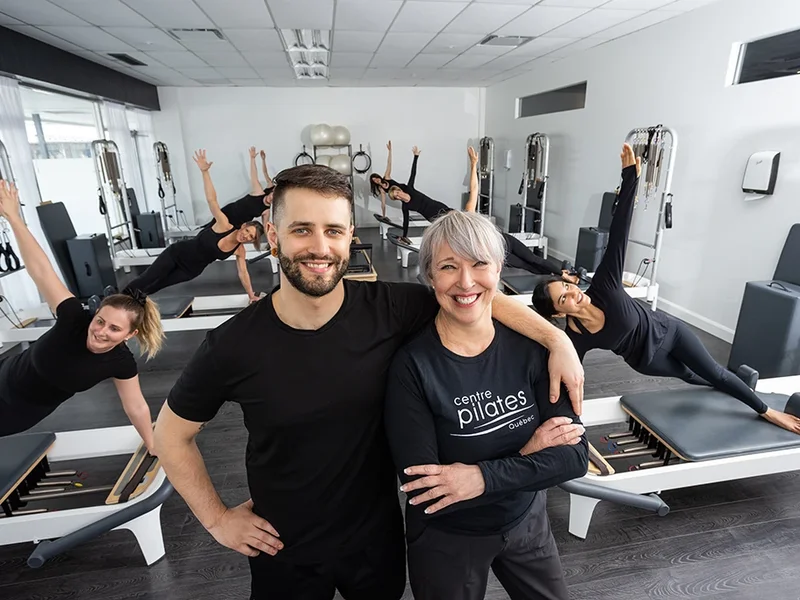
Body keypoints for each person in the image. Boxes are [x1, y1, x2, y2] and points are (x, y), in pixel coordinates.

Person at [153, 164, 585, 600]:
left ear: (349, 236)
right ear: (272, 232)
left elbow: (472, 296)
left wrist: (556, 339)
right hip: (283, 544)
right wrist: (217, 520)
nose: (320, 247)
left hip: (375, 540)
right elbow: (169, 436)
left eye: (334, 231)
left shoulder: (391, 308)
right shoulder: (232, 345)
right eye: (302, 230)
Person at [384, 210, 588, 600]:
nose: (465, 281)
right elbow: (428, 493)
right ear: (430, 277)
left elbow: (574, 457)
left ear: (498, 270)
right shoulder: (412, 368)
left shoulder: (533, 349)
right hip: (448, 540)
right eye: (448, 266)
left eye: (480, 264)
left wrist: (478, 478)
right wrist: (529, 454)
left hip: (526, 521)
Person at [532, 143, 800, 435]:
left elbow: (620, 230)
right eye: (563, 299)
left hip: (671, 332)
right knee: (695, 378)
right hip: (648, 361)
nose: (573, 294)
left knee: (714, 372)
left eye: (567, 287)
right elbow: (571, 374)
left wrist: (630, 177)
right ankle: (739, 387)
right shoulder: (576, 337)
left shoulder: (605, 285)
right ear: (559, 314)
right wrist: (556, 417)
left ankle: (766, 409)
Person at [0, 180, 164, 451]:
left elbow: (135, 405)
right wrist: (14, 218)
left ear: (130, 335)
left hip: (16, 412)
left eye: (114, 329)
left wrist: (152, 444)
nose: (101, 331)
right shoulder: (73, 318)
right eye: (100, 320)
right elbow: (41, 270)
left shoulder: (120, 362)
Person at [390, 146, 566, 276]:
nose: (398, 196)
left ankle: (562, 273)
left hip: (504, 240)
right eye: (395, 196)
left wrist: (473, 164)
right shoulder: (459, 237)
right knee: (526, 265)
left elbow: (474, 190)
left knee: (533, 260)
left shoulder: (468, 214)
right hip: (495, 250)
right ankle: (555, 276)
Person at [125, 150, 264, 302]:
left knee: (157, 285)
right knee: (147, 278)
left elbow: (243, 273)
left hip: (190, 271)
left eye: (251, 237)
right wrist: (205, 172)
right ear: (244, 226)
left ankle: (128, 304)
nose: (246, 236)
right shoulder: (224, 225)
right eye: (248, 231)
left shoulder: (239, 250)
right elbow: (212, 200)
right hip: (177, 254)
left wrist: (251, 295)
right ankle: (115, 300)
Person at [201, 146, 273, 233]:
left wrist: (272, 242)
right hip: (229, 212)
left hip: (237, 224)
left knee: (218, 234)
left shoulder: (266, 211)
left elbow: (266, 226)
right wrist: (252, 158)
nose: (271, 199)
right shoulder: (259, 192)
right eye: (273, 195)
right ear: (271, 192)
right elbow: (254, 175)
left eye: (274, 200)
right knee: (209, 227)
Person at [368, 140, 404, 217]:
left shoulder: (387, 177)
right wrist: (383, 215)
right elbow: (383, 203)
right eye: (374, 181)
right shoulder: (382, 189)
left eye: (376, 178)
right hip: (400, 196)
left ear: (379, 177)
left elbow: (389, 163)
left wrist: (390, 151)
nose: (376, 180)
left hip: (405, 188)